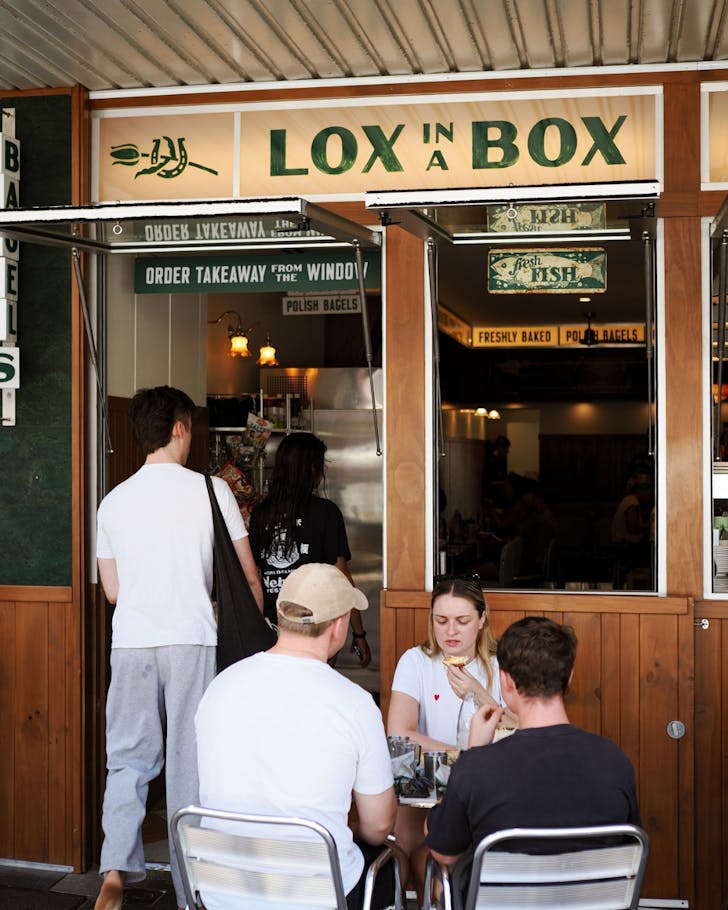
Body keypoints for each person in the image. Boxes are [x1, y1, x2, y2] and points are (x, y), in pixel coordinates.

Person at [93, 386, 263, 910]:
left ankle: (114, 876)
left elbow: (113, 591)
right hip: (193, 638)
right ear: (180, 428)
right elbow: (249, 581)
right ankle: (193, 890)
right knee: (190, 762)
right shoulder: (213, 492)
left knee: (127, 759)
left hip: (133, 644)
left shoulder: (114, 501)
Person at [195, 562, 397, 910]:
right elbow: (378, 826)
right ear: (338, 626)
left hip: (221, 893)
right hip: (315, 897)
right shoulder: (354, 704)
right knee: (388, 861)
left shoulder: (221, 686)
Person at [425, 616, 640, 879]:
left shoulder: (476, 767)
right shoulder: (614, 761)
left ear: (506, 681)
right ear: (569, 677)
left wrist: (473, 754)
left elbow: (444, 853)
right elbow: (631, 850)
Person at [386, 576, 515, 902]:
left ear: (482, 619)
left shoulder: (500, 667)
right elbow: (399, 734)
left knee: (448, 856)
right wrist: (465, 757)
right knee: (411, 846)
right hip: (434, 772)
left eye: (462, 621)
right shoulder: (416, 661)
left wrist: (478, 692)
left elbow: (520, 730)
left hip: (487, 779)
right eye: (441, 621)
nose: (450, 631)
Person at [248, 431, 371, 667]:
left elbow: (254, 575)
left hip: (271, 630)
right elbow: (341, 578)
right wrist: (359, 632)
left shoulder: (260, 513)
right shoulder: (326, 512)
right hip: (317, 628)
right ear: (312, 470)